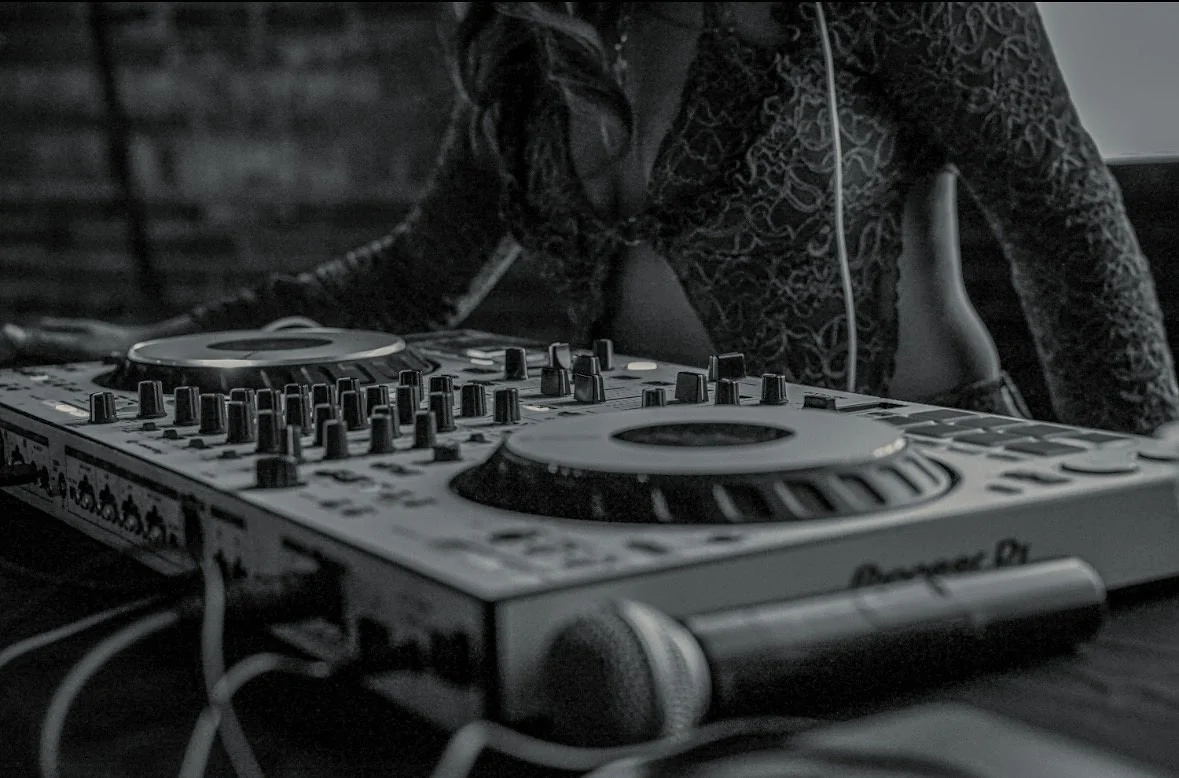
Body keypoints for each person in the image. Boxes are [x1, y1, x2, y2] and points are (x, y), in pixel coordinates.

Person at [2, 2, 1176, 435]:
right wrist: (149, 351)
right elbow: (411, 282)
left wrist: (1150, 527)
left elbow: (1063, 217)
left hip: (930, 477)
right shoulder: (528, 40)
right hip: (638, 503)